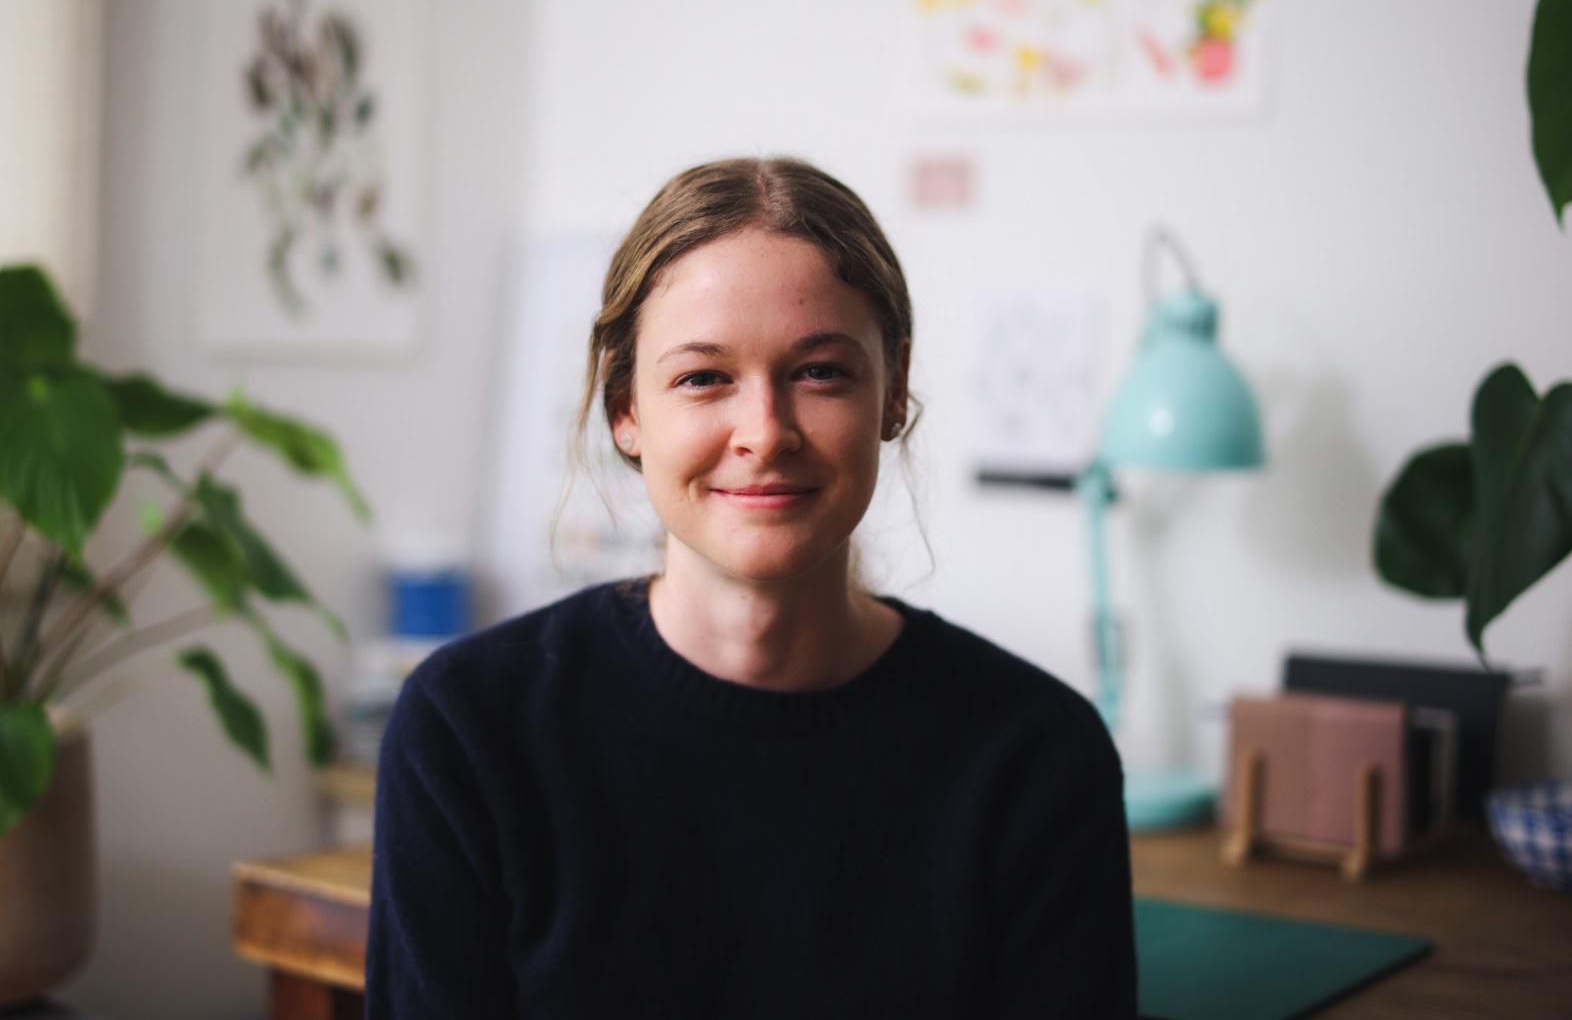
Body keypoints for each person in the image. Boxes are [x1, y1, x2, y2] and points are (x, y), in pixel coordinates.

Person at [363, 157, 1137, 1018]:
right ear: (626, 409)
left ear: (894, 392)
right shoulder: (469, 728)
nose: (764, 434)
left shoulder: (1035, 758)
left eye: (820, 372)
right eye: (703, 377)